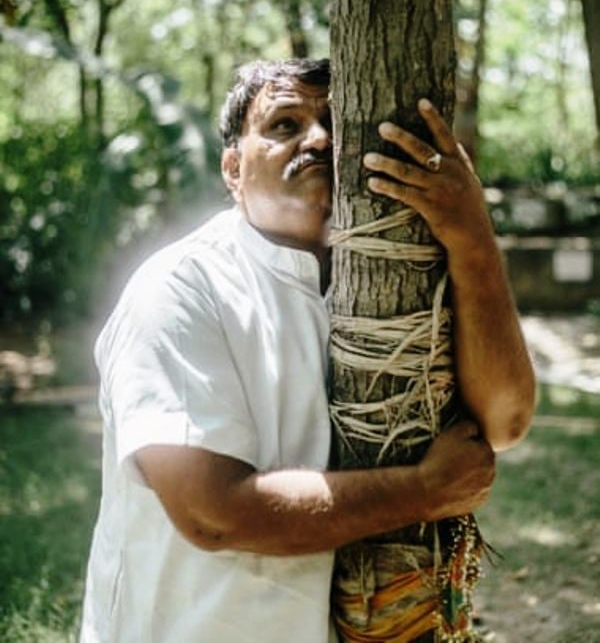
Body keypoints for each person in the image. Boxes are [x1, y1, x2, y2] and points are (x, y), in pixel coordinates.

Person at [80, 58, 535, 643]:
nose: (319, 139)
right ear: (233, 169)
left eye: (336, 125)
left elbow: (504, 421)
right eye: (284, 125)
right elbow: (212, 513)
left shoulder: (387, 283)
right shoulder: (180, 289)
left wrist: (472, 237)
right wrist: (423, 490)